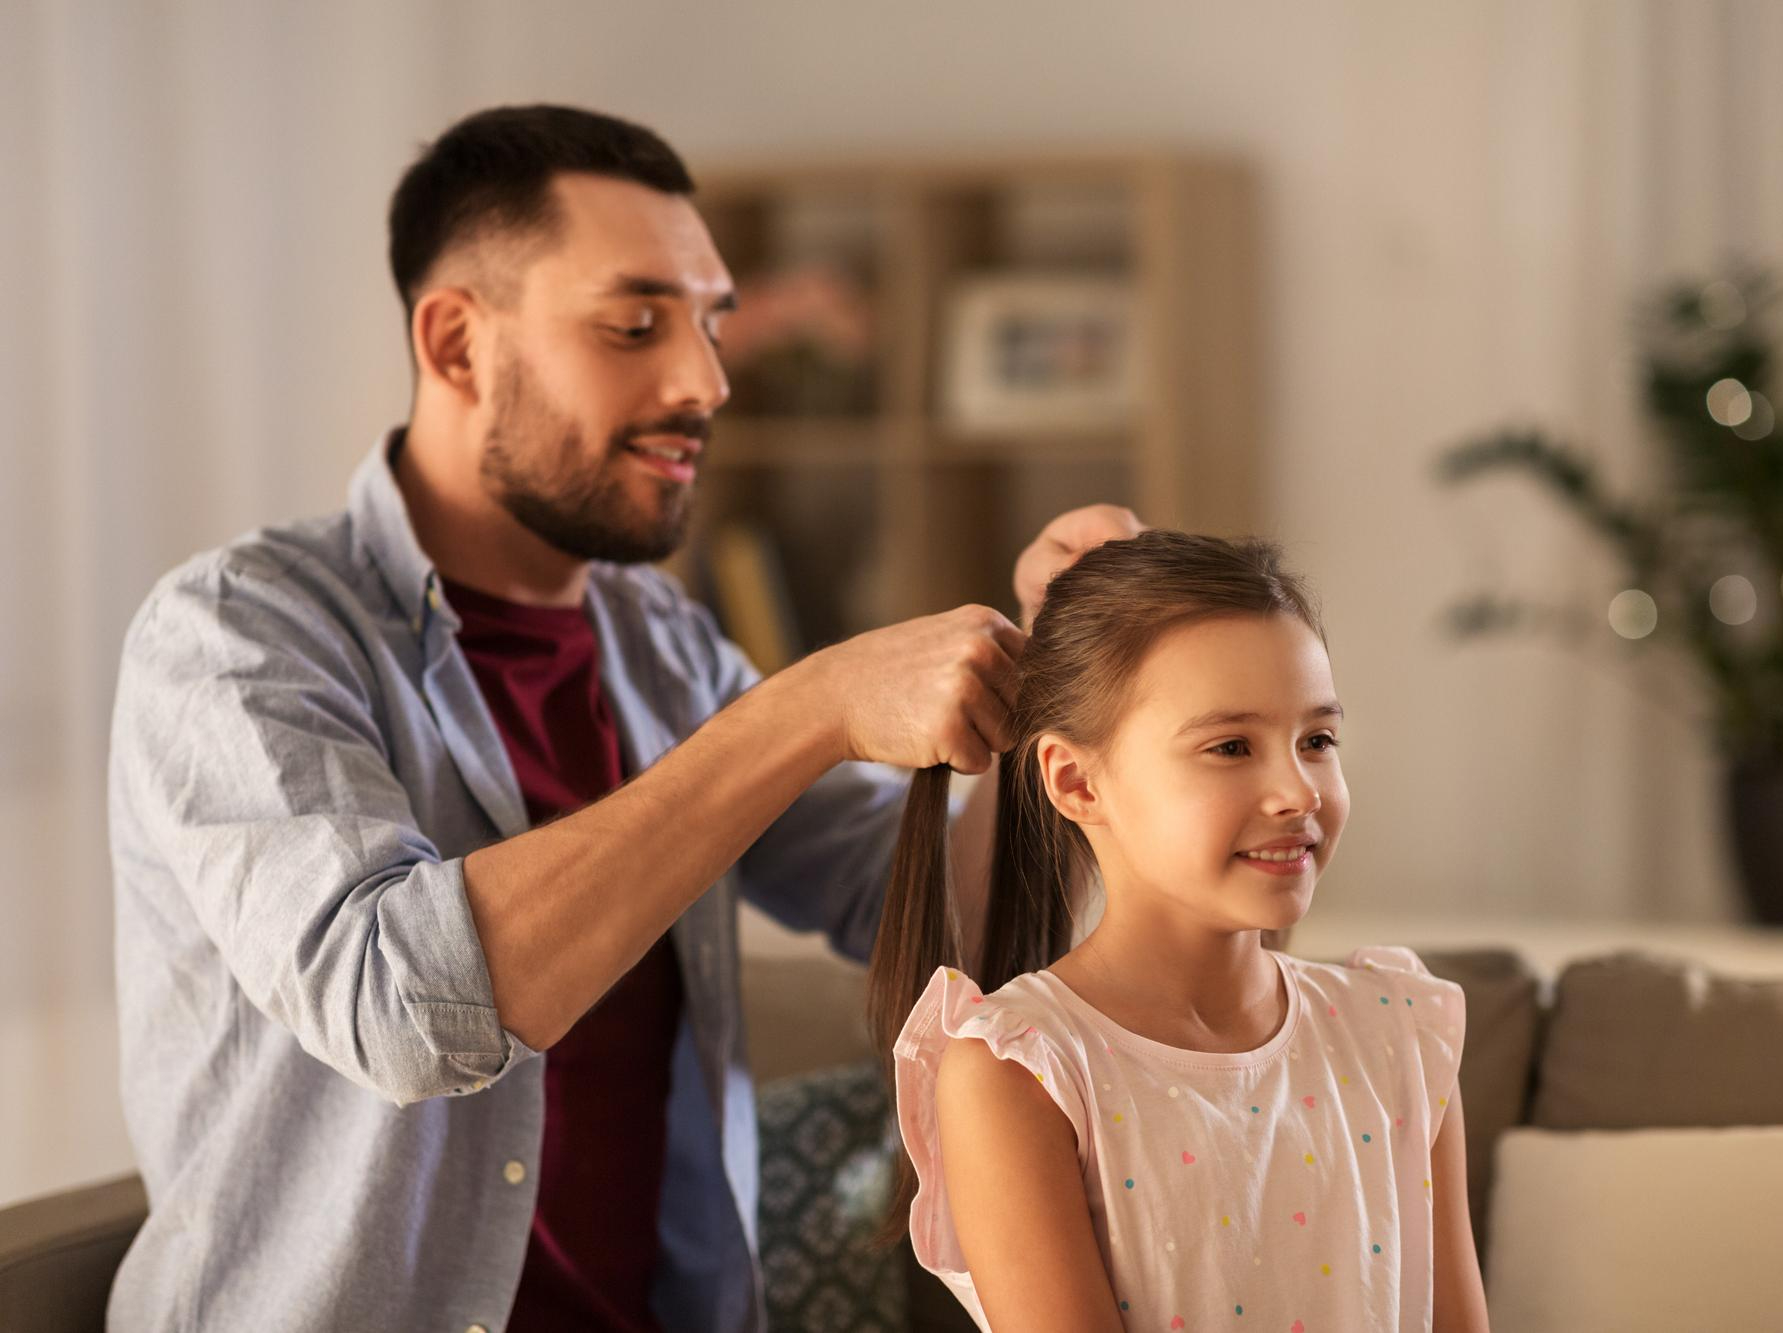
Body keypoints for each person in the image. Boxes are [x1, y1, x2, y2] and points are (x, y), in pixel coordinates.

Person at [104, 103, 1139, 1332]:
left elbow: (926, 920)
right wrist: (809, 707)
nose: (704, 380)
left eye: (710, 324)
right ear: (454, 344)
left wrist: (1057, 690)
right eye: (635, 324)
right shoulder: (235, 634)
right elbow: (400, 1006)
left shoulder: (663, 648)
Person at [874, 530, 1491, 1332]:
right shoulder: (1019, 1071)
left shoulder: (1401, 1033)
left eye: (1318, 740)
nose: (1297, 791)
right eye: (1231, 746)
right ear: (1076, 780)